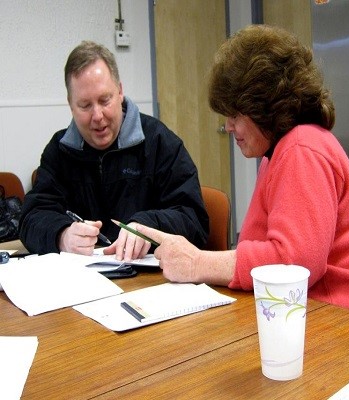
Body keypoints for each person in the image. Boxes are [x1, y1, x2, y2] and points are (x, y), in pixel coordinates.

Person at [135, 25, 349, 322]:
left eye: (235, 114)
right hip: (322, 315)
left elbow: (294, 265)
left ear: (263, 107)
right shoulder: (279, 154)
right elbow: (266, 248)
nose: (228, 126)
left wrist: (197, 262)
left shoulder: (302, 149)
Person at [19, 41, 209, 260]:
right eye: (85, 105)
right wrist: (61, 234)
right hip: (82, 284)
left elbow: (194, 220)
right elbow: (31, 217)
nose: (97, 116)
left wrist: (147, 227)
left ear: (119, 92)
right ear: (71, 105)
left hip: (151, 283)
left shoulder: (159, 142)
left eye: (104, 100)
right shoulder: (59, 151)